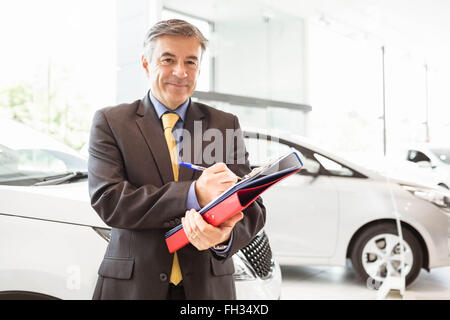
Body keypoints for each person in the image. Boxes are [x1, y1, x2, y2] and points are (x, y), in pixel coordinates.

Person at [88, 19, 266, 300]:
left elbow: (252, 206)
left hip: (207, 288)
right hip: (132, 287)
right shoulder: (112, 122)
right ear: (146, 64)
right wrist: (193, 194)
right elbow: (110, 200)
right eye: (168, 60)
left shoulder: (224, 124)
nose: (180, 72)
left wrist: (224, 237)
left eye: (191, 62)